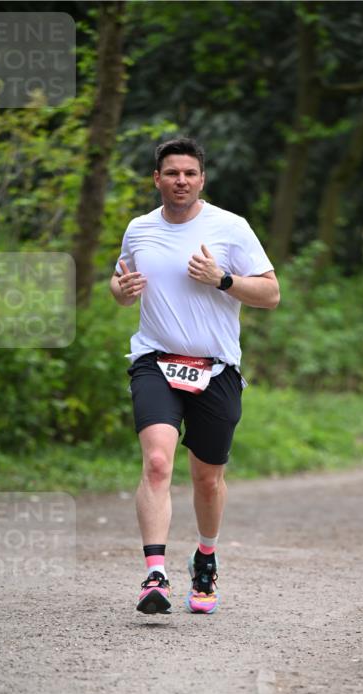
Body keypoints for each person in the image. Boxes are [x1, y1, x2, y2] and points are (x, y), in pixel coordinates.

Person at [111, 137, 280, 616]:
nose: (180, 180)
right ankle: (154, 574)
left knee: (207, 479)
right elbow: (120, 284)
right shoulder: (139, 229)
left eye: (189, 173)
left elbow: (270, 294)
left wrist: (222, 280)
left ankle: (205, 557)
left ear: (201, 179)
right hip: (154, 361)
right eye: (171, 173)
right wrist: (120, 290)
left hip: (216, 368)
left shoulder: (231, 227)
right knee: (158, 462)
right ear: (157, 179)